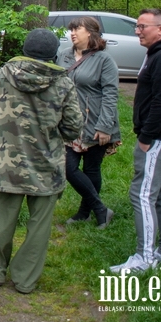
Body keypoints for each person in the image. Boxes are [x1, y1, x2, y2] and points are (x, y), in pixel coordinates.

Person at [0, 28, 83, 294]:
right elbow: (73, 128)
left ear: (25, 49)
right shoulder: (64, 83)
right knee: (39, 226)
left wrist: (2, 140)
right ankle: (25, 280)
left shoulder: (1, 77)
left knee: (1, 216)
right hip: (47, 165)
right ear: (53, 54)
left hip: (8, 163)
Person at [110, 8, 161, 274]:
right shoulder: (160, 54)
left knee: (142, 194)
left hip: (160, 138)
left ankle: (144, 259)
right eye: (138, 26)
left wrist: (146, 136)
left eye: (142, 27)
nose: (137, 31)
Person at [56, 16, 121, 229]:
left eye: (77, 29)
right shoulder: (64, 56)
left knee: (92, 169)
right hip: (69, 123)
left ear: (91, 33)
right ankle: (101, 209)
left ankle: (85, 212)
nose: (72, 33)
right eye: (71, 29)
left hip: (95, 121)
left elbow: (111, 95)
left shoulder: (104, 60)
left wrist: (104, 126)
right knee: (69, 168)